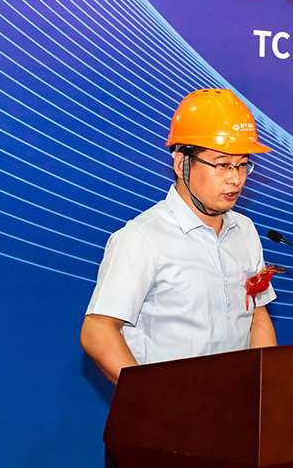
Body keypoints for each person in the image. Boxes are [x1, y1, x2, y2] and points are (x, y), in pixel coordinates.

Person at [81, 88, 277, 384]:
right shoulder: (142, 238)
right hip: (171, 406)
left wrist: (267, 388)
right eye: (222, 164)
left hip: (236, 404)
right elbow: (97, 331)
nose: (235, 179)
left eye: (242, 164)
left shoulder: (245, 231)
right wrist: (153, 400)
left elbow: (257, 316)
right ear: (181, 163)